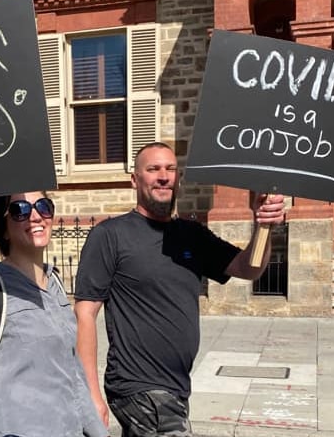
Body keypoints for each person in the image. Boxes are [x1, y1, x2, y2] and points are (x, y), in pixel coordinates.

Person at [74, 142, 286, 437]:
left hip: (176, 387)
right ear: (135, 180)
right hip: (139, 387)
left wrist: (264, 225)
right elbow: (84, 315)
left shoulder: (192, 234)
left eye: (170, 169)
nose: (164, 176)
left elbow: (247, 268)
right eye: (153, 169)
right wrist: (91, 396)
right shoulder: (111, 235)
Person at [0, 191, 108, 437]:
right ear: (4, 228)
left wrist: (97, 432)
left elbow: (72, 373)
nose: (36, 216)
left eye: (43, 206)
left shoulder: (55, 283)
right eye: (20, 210)